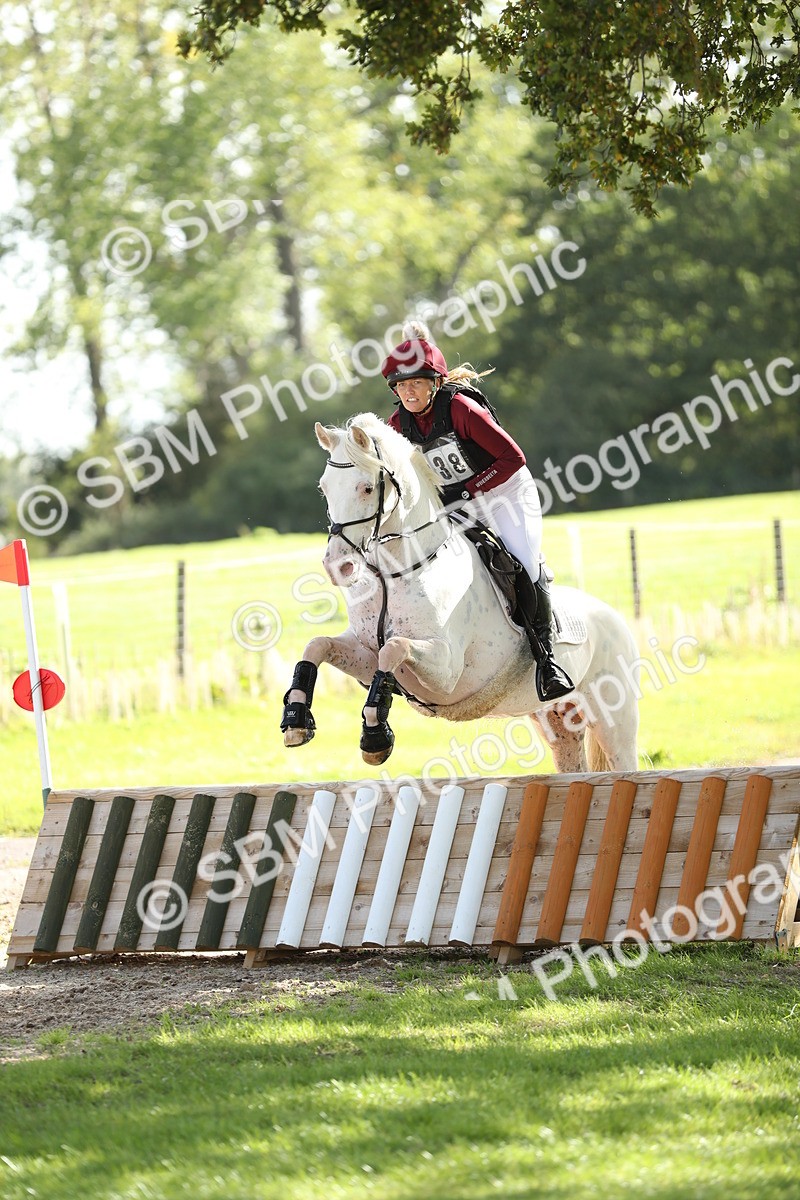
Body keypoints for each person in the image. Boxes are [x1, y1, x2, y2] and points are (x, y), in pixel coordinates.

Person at [381, 323, 574, 703]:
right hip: (459, 504)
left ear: (435, 383)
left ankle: (546, 660)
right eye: (401, 386)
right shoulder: (396, 426)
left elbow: (512, 458)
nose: (408, 392)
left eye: (416, 383)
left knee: (523, 562)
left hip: (506, 492)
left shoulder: (461, 409)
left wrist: (471, 488)